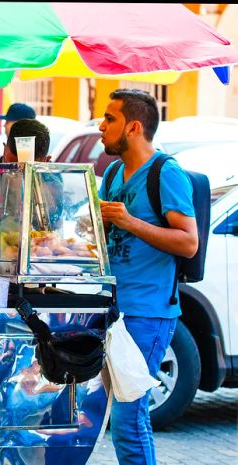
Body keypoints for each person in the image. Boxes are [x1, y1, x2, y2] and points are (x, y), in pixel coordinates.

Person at [97, 88, 198, 465]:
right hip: (112, 309)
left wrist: (129, 221)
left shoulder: (165, 173)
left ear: (134, 126)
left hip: (148, 311)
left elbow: (188, 242)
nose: (101, 126)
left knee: (130, 414)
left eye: (110, 119)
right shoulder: (111, 172)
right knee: (119, 414)